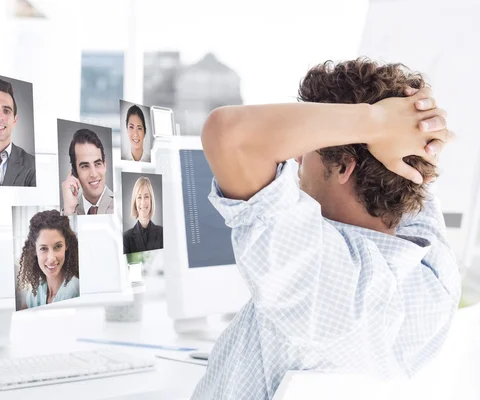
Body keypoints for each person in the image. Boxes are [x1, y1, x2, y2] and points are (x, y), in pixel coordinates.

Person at [191, 58, 460, 399]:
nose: (296, 159)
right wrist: (415, 121)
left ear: (345, 166)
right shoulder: (433, 273)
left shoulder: (320, 280)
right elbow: (417, 175)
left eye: (305, 151)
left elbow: (229, 133)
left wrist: (375, 121)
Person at [17, 210, 79, 309]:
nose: (51, 258)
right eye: (43, 249)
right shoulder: (36, 290)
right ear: (35, 250)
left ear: (66, 245)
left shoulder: (76, 290)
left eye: (58, 246)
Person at [61, 128, 115, 215]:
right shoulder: (69, 210)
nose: (94, 174)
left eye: (98, 164)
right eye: (85, 166)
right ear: (75, 173)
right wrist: (69, 211)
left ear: (104, 165)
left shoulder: (120, 206)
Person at [123, 176, 163, 254]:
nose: (143, 202)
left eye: (146, 197)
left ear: (151, 200)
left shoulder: (162, 232)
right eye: (139, 197)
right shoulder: (126, 237)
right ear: (135, 201)